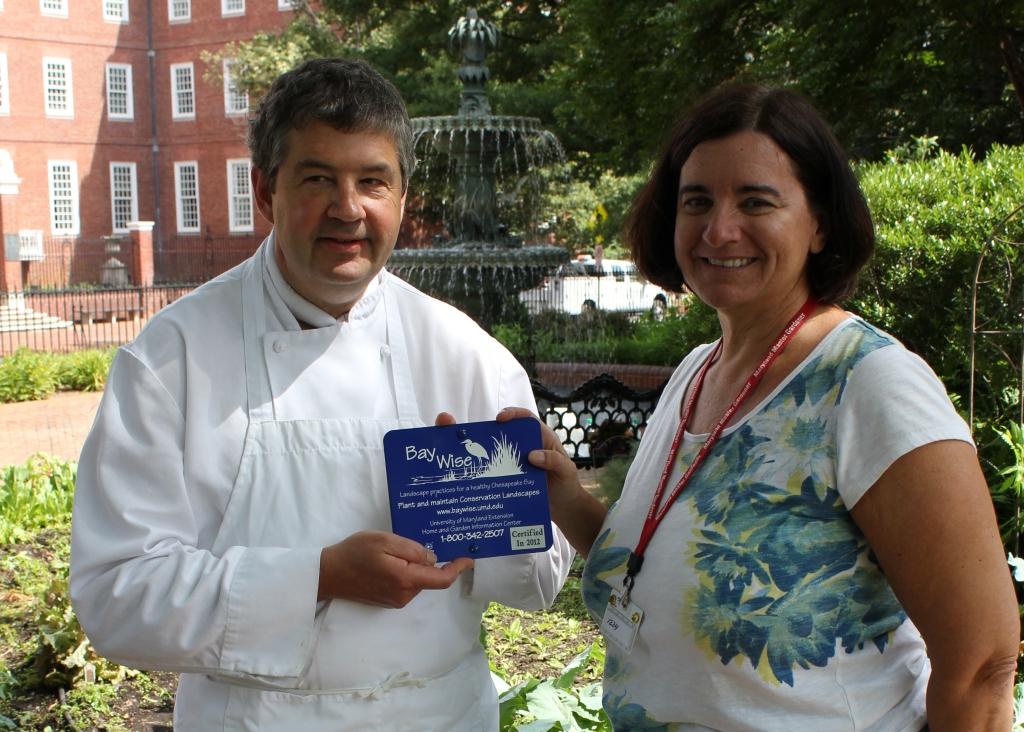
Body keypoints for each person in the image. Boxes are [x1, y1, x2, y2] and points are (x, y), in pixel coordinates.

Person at [69, 57, 572, 731]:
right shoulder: (174, 358)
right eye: (317, 179)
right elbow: (116, 596)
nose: (348, 208)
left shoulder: (464, 353)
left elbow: (544, 581)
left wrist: (513, 507)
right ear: (266, 192)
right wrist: (320, 576)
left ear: (401, 197)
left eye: (372, 180)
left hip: (439, 715)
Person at [500, 84, 1019, 731]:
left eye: (755, 201)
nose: (720, 229)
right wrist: (567, 499)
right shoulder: (697, 372)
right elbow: (659, 563)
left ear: (820, 223)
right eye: (697, 202)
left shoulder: (868, 383)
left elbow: (982, 667)